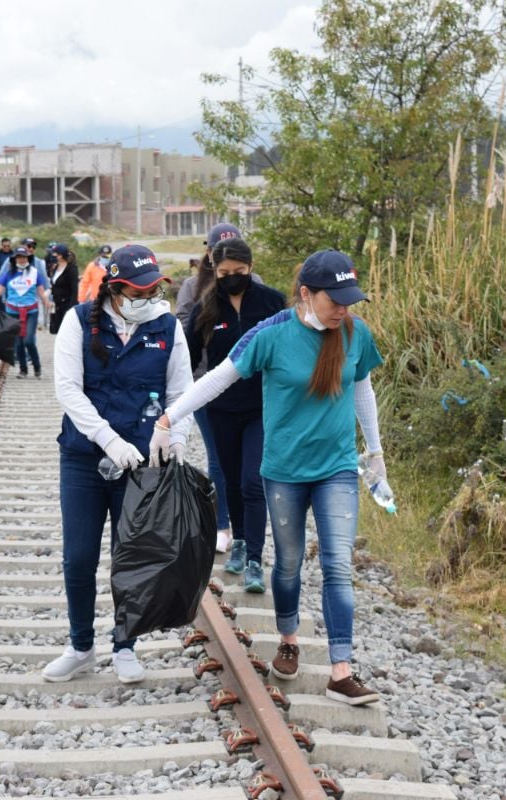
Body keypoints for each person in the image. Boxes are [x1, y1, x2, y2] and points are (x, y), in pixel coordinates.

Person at [151, 249, 387, 706]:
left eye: (349, 300)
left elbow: (363, 389)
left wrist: (375, 452)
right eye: (335, 300)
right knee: (289, 562)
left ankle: (341, 671)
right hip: (284, 470)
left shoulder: (355, 333)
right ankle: (289, 639)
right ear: (306, 294)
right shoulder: (271, 334)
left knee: (338, 565)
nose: (343, 309)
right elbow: (217, 378)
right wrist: (169, 419)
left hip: (337, 467)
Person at [47, 244, 194, 684]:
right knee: (79, 557)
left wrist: (177, 439)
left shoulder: (168, 327)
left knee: (130, 559)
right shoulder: (78, 322)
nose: (147, 298)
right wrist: (108, 440)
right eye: (138, 292)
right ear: (114, 289)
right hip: (84, 457)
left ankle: (125, 645)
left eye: (153, 290)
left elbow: (181, 393)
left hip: (143, 463)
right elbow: (68, 390)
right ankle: (80, 646)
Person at [185, 237, 285, 592]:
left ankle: (256, 559)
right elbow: (187, 358)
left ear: (251, 267)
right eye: (224, 273)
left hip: (262, 407)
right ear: (214, 270)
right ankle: (239, 542)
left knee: (253, 481)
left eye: (239, 271)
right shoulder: (205, 308)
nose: (232, 278)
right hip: (221, 410)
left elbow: (289, 347)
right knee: (230, 481)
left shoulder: (272, 302)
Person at [174, 222, 265, 554]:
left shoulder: (257, 284)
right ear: (209, 253)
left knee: (250, 467)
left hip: (250, 386)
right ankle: (221, 525)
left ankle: (247, 533)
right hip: (207, 385)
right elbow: (184, 332)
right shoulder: (191, 287)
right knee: (219, 458)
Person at [0, 245, 51, 379]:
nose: (21, 260)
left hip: (31, 311)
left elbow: (41, 291)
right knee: (18, 342)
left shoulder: (35, 273)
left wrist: (47, 302)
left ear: (28, 258)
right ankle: (23, 369)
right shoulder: (8, 274)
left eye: (24, 257)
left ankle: (37, 366)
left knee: (29, 341)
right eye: (19, 257)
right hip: (12, 311)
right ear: (14, 259)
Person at [48, 243, 80, 334]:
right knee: (56, 331)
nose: (52, 256)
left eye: (54, 254)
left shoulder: (71, 269)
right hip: (56, 305)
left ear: (60, 255)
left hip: (66, 305)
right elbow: (54, 286)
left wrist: (71, 308)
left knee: (67, 332)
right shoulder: (55, 267)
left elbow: (74, 290)